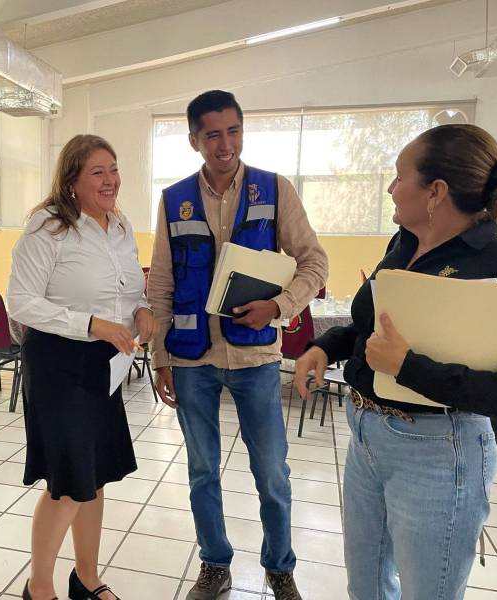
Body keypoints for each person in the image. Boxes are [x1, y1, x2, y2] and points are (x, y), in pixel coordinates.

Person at [295, 123, 497, 600]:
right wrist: (329, 346)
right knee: (364, 583)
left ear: (435, 192)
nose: (390, 187)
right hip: (367, 433)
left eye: (398, 175)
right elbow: (374, 327)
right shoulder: (403, 244)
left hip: (439, 450)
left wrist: (408, 367)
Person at [147, 90, 328, 600]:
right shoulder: (173, 197)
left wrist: (279, 307)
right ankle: (215, 563)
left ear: (242, 132)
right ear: (194, 140)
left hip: (255, 358)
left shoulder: (275, 190)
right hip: (191, 357)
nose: (224, 144)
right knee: (202, 470)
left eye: (233, 131)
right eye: (212, 134)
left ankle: (280, 568)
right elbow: (160, 281)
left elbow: (315, 263)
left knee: (271, 472)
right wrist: (161, 358)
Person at [7, 134, 156, 600]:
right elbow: (21, 302)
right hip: (58, 363)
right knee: (69, 483)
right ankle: (40, 588)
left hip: (103, 363)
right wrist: (90, 324)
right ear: (72, 180)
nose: (111, 179)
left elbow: (127, 289)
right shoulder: (47, 226)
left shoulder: (120, 225)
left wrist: (143, 308)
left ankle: (86, 580)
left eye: (113, 169)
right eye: (98, 171)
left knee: (95, 475)